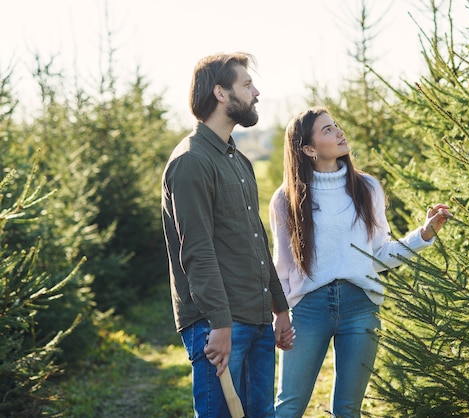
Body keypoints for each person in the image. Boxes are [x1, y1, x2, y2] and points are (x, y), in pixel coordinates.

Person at [269, 106, 452, 417]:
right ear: (309, 148)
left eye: (336, 125)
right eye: (327, 130)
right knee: (289, 407)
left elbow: (378, 254)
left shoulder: (367, 188)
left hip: (361, 307)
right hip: (308, 310)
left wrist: (424, 234)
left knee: (348, 409)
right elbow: (282, 267)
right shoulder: (286, 198)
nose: (339, 132)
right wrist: (280, 314)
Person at [161, 52, 294, 418]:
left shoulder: (238, 160)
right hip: (217, 325)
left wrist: (279, 308)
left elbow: (256, 242)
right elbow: (197, 251)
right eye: (247, 85)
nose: (256, 93)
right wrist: (219, 324)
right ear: (221, 93)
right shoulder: (191, 161)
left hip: (255, 319)